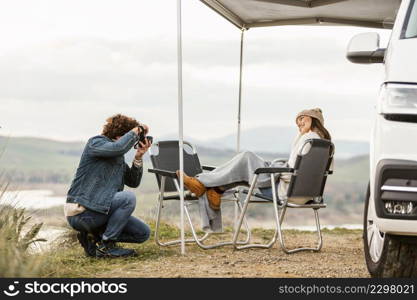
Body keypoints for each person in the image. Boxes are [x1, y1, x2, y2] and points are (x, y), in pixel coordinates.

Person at [178, 108, 332, 210]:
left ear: (313, 119)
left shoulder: (308, 141)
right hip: (304, 196)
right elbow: (304, 172)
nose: (299, 123)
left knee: (247, 157)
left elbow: (292, 173)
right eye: (297, 122)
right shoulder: (325, 146)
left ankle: (202, 183)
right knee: (247, 169)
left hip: (284, 193)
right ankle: (216, 189)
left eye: (302, 118)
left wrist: (275, 171)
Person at [65, 114, 152, 258]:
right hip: (82, 212)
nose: (133, 141)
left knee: (142, 233)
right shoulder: (96, 143)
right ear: (120, 135)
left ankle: (93, 239)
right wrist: (138, 130)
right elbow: (118, 148)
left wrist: (138, 157)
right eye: (131, 137)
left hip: (100, 210)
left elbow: (133, 182)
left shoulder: (117, 157)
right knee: (127, 197)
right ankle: (107, 246)